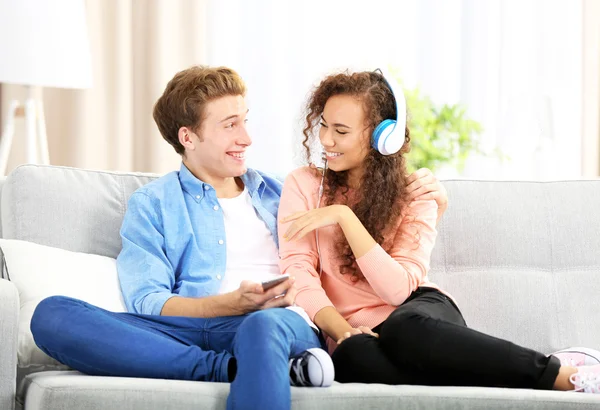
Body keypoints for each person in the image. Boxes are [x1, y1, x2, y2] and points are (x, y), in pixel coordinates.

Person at [30, 65, 336, 410]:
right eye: (230, 125)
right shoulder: (153, 203)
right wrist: (228, 304)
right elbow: (148, 301)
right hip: (187, 331)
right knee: (52, 315)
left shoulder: (282, 192)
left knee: (260, 328)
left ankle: (252, 359)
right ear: (188, 138)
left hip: (276, 325)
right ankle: (226, 368)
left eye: (244, 121)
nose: (246, 138)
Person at [277, 69, 600, 394]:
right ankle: (503, 374)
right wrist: (344, 331)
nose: (326, 140)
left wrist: (345, 217)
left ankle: (563, 374)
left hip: (418, 315)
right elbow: (299, 273)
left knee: (403, 329)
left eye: (341, 131)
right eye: (324, 125)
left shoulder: (416, 194)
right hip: (360, 332)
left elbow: (398, 292)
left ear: (381, 136)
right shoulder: (303, 185)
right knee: (350, 357)